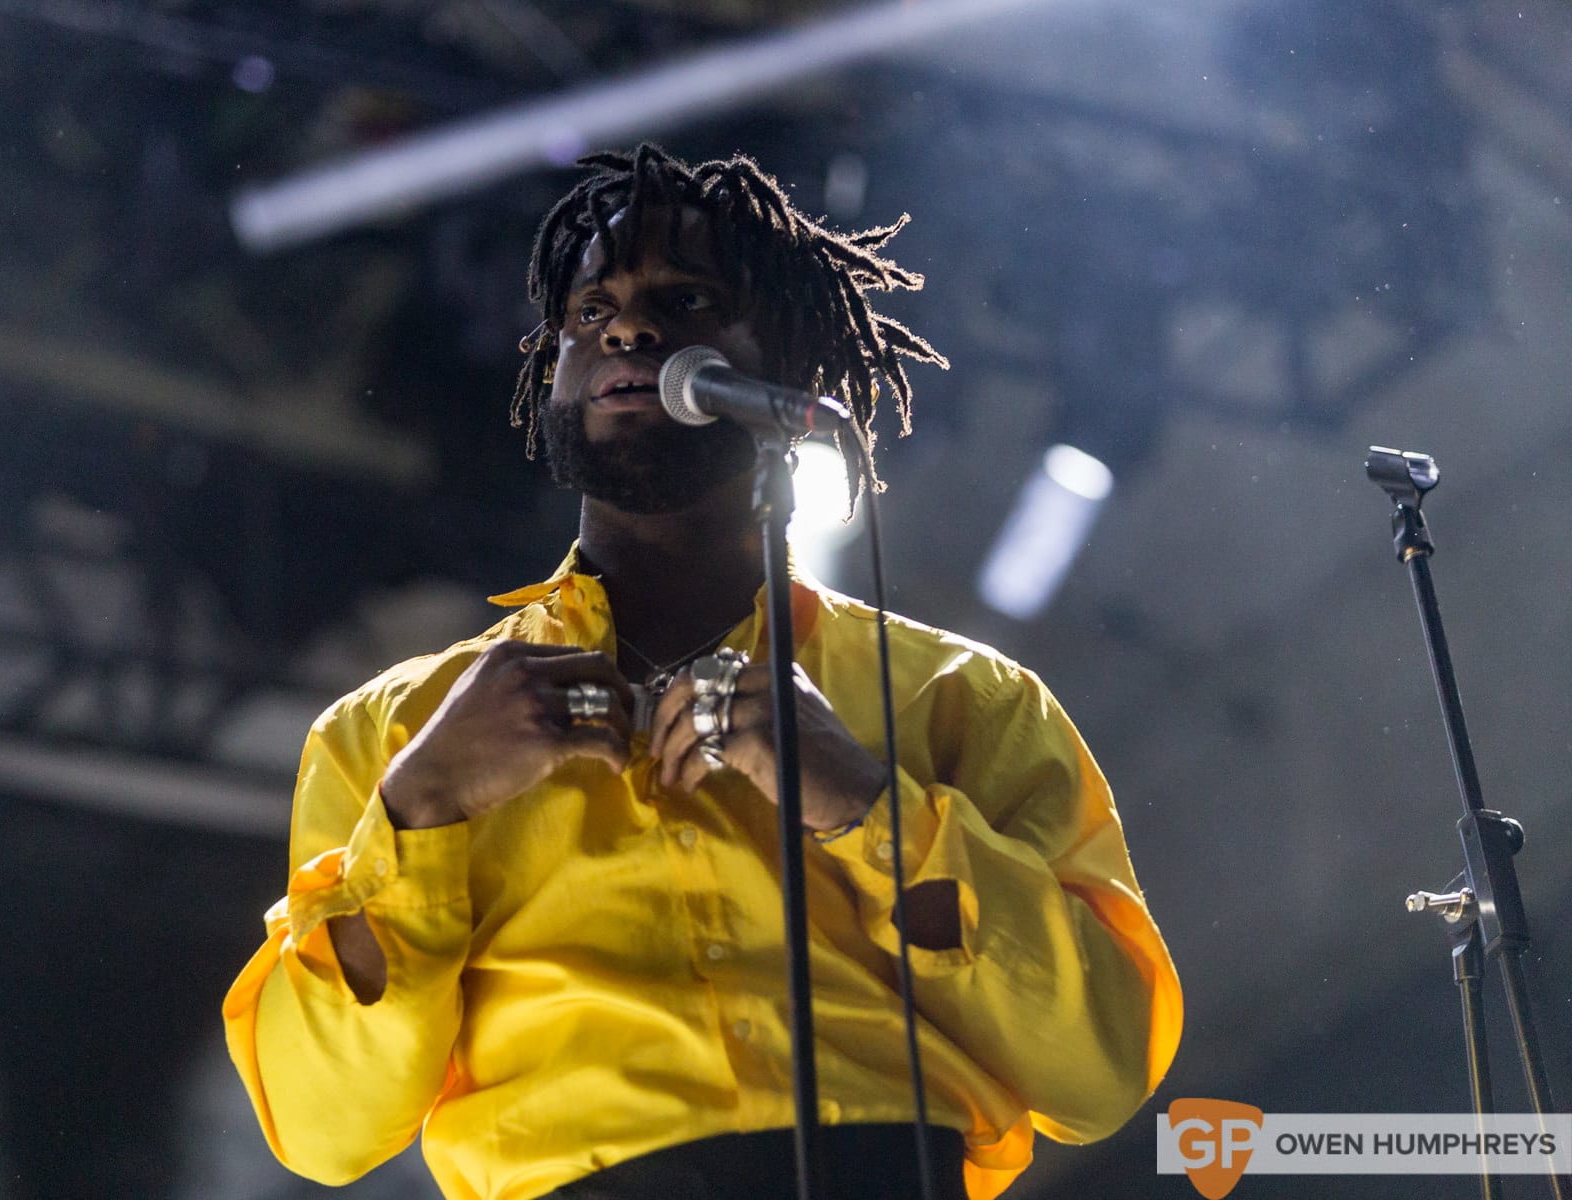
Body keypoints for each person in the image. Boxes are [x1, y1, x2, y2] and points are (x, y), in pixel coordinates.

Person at [223, 144, 1182, 1200]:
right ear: (556, 372)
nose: (627, 330)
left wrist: (867, 807)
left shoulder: (960, 697)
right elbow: (322, 1127)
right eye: (591, 312)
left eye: (686, 301)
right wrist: (421, 808)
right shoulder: (392, 734)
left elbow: (1096, 1073)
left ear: (792, 371)